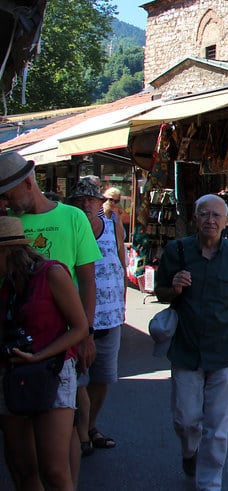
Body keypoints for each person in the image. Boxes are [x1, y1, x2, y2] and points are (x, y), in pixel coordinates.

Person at [0, 150, 101, 487]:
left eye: (9, 195)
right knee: (22, 457)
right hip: (16, 343)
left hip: (62, 342)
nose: (6, 203)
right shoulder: (6, 226)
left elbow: (87, 279)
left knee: (61, 440)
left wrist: (85, 334)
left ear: (28, 184)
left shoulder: (72, 218)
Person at [154, 194, 228, 490]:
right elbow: (160, 292)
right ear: (196, 218)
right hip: (186, 348)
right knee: (185, 420)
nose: (211, 220)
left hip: (225, 349)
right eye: (205, 214)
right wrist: (174, 289)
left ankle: (210, 483)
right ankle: (190, 450)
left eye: (217, 215)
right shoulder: (176, 251)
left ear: (227, 222)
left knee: (216, 426)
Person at [68, 177, 126, 455]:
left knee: (103, 378)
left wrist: (123, 305)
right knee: (78, 378)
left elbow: (121, 264)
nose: (85, 205)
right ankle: (80, 434)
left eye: (90, 200)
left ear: (99, 203)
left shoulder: (113, 225)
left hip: (111, 316)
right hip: (77, 318)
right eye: (79, 201)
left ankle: (90, 426)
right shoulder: (69, 229)